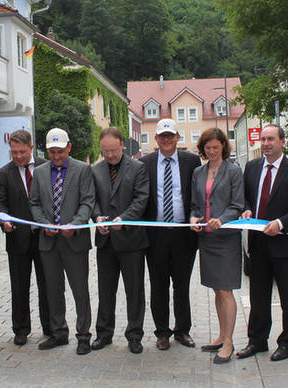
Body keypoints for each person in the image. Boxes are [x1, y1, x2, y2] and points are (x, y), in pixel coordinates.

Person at [235, 124, 288, 362]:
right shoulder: (253, 167)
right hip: (257, 244)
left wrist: (280, 223)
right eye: (263, 140)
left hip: (284, 244)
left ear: (282, 142)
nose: (266, 144)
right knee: (258, 296)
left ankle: (287, 343)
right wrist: (246, 209)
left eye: (271, 139)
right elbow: (246, 197)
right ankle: (257, 341)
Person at [29, 127, 95, 355]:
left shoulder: (82, 170)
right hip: (49, 242)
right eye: (52, 152)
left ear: (69, 147)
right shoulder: (39, 172)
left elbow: (87, 201)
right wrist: (44, 223)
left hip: (74, 241)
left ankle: (84, 334)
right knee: (53, 289)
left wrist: (75, 224)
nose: (56, 156)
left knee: (80, 289)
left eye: (60, 151)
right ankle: (58, 333)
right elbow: (34, 203)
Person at [140, 118, 201, 350]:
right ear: (156, 139)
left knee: (182, 285)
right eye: (162, 136)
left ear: (177, 137)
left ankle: (183, 330)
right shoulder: (144, 163)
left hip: (183, 234)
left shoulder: (192, 161)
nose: (166, 139)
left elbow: (197, 194)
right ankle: (162, 332)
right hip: (155, 235)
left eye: (170, 135)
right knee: (158, 285)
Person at [90, 127, 149, 354]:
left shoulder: (138, 168)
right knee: (105, 290)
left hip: (131, 240)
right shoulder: (95, 170)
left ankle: (135, 335)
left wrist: (123, 219)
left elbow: (141, 199)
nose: (110, 155)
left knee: (134, 291)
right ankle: (104, 334)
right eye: (105, 151)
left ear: (122, 145)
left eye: (113, 150)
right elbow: (91, 200)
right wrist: (97, 217)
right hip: (105, 241)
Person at [189, 128, 244, 364]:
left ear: (223, 146)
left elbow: (237, 204)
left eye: (215, 147)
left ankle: (229, 342)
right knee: (216, 289)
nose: (211, 151)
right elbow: (194, 204)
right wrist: (193, 218)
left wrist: (222, 219)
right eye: (207, 148)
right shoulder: (198, 173)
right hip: (207, 238)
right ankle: (221, 335)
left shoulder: (233, 171)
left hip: (226, 237)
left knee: (226, 289)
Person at [0, 129, 51, 345]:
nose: (18, 156)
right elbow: (1, 202)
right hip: (17, 238)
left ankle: (50, 326)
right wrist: (3, 218)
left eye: (21, 152)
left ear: (31, 148)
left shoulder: (46, 167)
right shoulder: (2, 174)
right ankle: (20, 329)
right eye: (13, 152)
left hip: (45, 237)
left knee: (47, 284)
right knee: (19, 286)